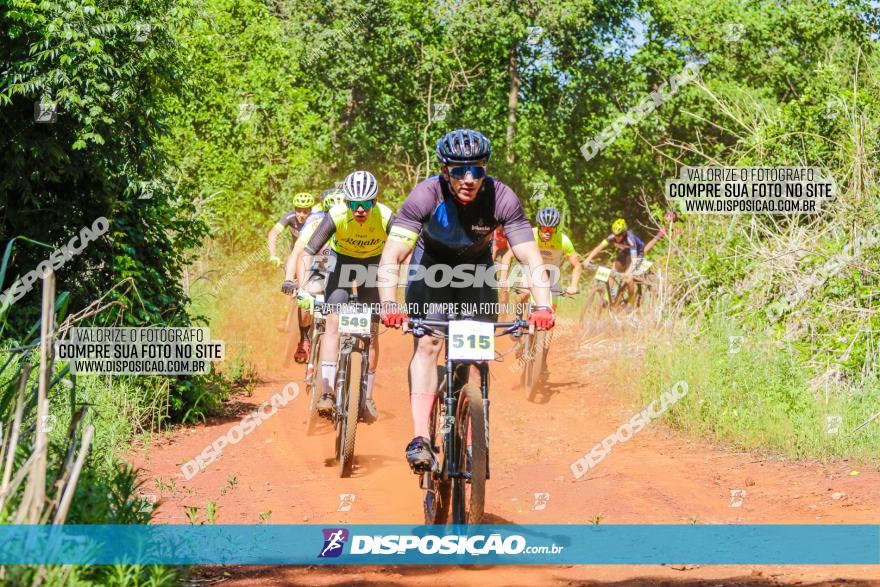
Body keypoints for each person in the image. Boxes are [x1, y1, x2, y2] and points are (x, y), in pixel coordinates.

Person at [376, 128, 556, 472]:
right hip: (430, 271)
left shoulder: (502, 198)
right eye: (459, 170)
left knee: (474, 358)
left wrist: (543, 306)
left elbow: (531, 258)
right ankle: (420, 438)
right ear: (445, 171)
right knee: (428, 343)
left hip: (477, 273)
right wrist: (388, 302)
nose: (469, 178)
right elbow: (392, 256)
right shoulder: (424, 195)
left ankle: (473, 439)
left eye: (477, 169)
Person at [296, 171, 394, 424]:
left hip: (373, 266)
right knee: (333, 323)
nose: (360, 209)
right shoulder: (337, 214)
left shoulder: (385, 216)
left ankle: (368, 396)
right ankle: (327, 393)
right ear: (346, 202)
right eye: (354, 203)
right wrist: (305, 287)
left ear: (375, 200)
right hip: (342, 264)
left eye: (366, 203)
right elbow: (308, 251)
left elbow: (406, 249)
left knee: (372, 331)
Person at [281, 189, 346, 363]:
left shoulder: (352, 224)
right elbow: (297, 252)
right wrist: (289, 279)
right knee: (306, 296)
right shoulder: (314, 223)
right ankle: (304, 339)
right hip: (315, 266)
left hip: (342, 268)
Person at [501, 207, 581, 305]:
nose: (547, 232)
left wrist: (573, 286)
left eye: (551, 229)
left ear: (556, 228)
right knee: (523, 295)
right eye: (544, 228)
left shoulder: (563, 240)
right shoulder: (529, 235)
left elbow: (577, 265)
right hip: (531, 270)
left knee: (551, 308)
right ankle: (518, 319)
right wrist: (503, 279)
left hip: (552, 274)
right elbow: (508, 256)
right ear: (539, 226)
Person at [581, 218, 645, 305]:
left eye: (619, 235)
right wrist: (587, 259)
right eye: (615, 235)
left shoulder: (630, 239)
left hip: (637, 253)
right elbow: (598, 248)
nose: (616, 237)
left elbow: (634, 260)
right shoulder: (612, 237)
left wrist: (628, 273)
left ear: (624, 233)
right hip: (626, 252)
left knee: (629, 279)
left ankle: (631, 303)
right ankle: (609, 296)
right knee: (612, 271)